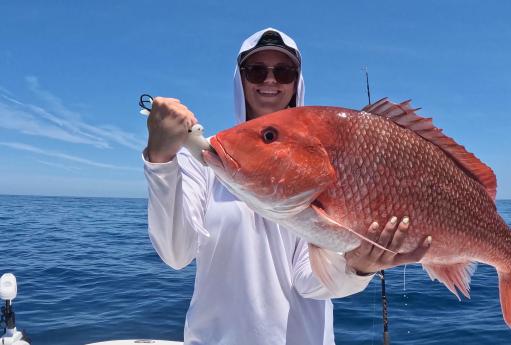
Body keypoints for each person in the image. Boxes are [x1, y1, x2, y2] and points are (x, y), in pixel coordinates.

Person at [143, 28, 430, 345]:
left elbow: (311, 282)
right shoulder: (206, 158)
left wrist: (358, 267)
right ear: (240, 80)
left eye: (283, 72)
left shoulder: (321, 169)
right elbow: (175, 254)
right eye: (256, 71)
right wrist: (160, 160)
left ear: (296, 81)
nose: (269, 81)